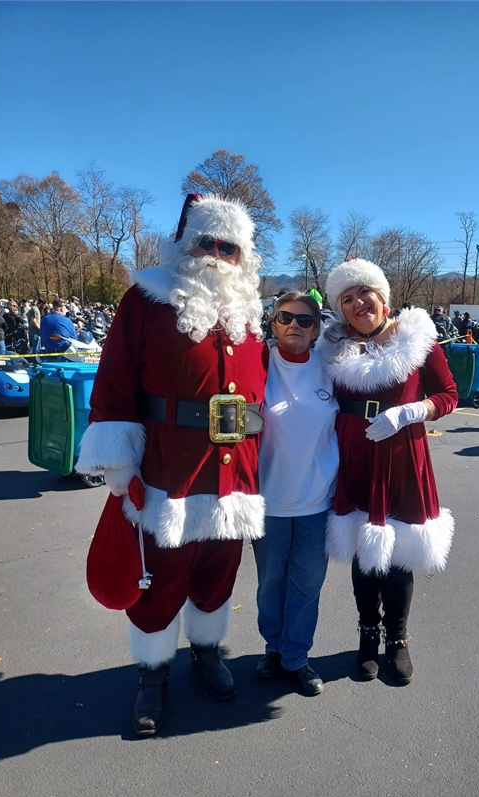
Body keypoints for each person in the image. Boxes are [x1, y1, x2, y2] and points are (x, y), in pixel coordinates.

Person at [74, 194, 268, 736]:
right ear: (185, 244)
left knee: (218, 574)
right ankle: (153, 671)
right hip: (168, 470)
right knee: (159, 577)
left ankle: (207, 652)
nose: (215, 254)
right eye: (205, 242)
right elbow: (114, 382)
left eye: (227, 246)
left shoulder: (250, 312)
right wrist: (118, 463)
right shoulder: (145, 299)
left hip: (234, 474)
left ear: (242, 255)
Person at [319, 259, 458, 685]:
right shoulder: (332, 350)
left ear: (383, 297)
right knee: (365, 554)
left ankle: (397, 639)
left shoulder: (418, 341)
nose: (359, 303)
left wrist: (412, 411)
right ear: (340, 308)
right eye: (347, 298)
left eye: (365, 293)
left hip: (401, 454)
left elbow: (449, 394)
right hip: (355, 458)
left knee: (398, 556)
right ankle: (367, 635)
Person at [253, 291, 339, 696]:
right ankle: (273, 647)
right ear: (273, 323)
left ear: (317, 329)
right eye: (286, 317)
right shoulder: (257, 361)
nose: (295, 326)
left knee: (307, 585)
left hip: (316, 501)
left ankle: (297, 656)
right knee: (271, 582)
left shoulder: (330, 366)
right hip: (267, 500)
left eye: (305, 321)